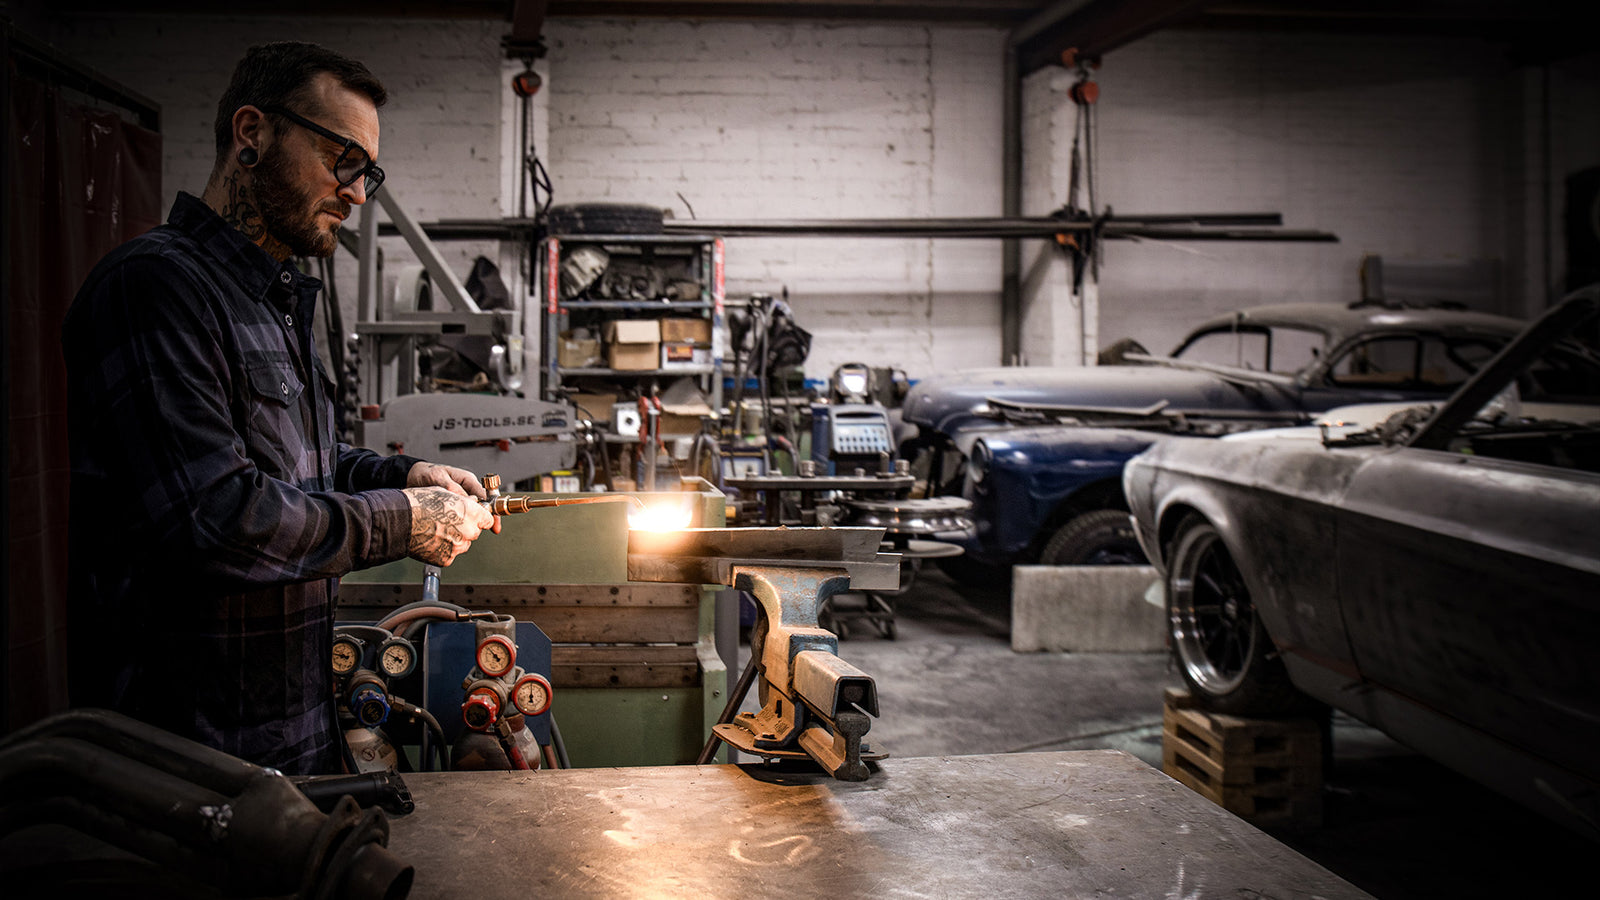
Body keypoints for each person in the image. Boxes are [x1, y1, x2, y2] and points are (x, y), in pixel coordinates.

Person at [61, 42, 496, 775]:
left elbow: (305, 468)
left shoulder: (274, 300)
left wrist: (406, 473)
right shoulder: (153, 289)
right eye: (342, 160)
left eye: (368, 172)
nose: (357, 193)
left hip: (291, 746)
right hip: (184, 765)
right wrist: (408, 520)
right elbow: (216, 519)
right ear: (253, 133)